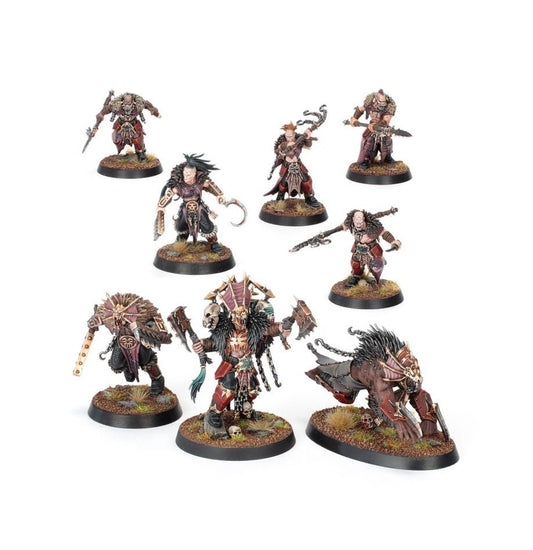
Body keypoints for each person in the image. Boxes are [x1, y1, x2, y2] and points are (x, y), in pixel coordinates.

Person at [155, 154, 226, 254]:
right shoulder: (178, 185)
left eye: (188, 174)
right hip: (185, 209)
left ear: (194, 173)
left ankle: (214, 243)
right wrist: (161, 206)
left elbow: (210, 185)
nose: (185, 176)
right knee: (182, 227)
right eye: (184, 173)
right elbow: (168, 196)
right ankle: (180, 243)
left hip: (199, 208)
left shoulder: (200, 182)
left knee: (207, 226)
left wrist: (219, 195)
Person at [264, 122, 321, 208]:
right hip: (287, 165)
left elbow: (308, 146)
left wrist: (308, 137)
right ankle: (280, 198)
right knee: (283, 183)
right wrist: (286, 145)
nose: (288, 138)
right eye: (287, 136)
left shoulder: (299, 141)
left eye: (290, 136)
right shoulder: (282, 141)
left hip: (297, 164)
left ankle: (309, 197)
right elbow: (278, 150)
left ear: (294, 134)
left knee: (306, 180)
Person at [92, 92, 161, 161]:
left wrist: (155, 113)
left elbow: (150, 107)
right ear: (122, 102)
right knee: (116, 139)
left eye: (129, 104)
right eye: (125, 104)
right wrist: (96, 126)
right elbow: (102, 113)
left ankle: (141, 153)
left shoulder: (139, 105)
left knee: (138, 139)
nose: (127, 106)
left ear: (133, 102)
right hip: (120, 124)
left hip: (134, 124)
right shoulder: (115, 106)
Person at [342, 209, 401, 287]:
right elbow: (341, 227)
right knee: (355, 263)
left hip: (372, 250)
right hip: (358, 249)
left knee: (377, 265)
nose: (358, 225)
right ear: (353, 219)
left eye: (360, 223)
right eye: (356, 223)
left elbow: (384, 233)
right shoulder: (351, 225)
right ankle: (356, 277)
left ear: (364, 219)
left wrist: (393, 241)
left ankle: (377, 281)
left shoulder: (373, 227)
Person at [349, 89, 396, 169]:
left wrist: (377, 125)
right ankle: (365, 160)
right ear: (375, 100)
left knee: (386, 143)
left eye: (384, 103)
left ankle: (387, 157)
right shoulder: (370, 103)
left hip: (383, 128)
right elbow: (360, 109)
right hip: (371, 128)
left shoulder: (389, 106)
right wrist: (354, 118)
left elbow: (386, 119)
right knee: (368, 142)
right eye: (381, 103)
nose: (382, 105)